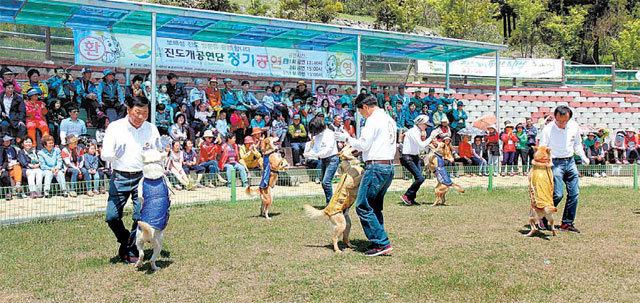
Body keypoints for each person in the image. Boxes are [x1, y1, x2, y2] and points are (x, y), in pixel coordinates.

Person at [335, 94, 396, 257]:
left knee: (362, 205)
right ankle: (379, 241)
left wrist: (347, 138)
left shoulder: (372, 120)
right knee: (374, 206)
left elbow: (364, 144)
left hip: (375, 167)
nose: (361, 114)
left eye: (361, 111)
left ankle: (382, 242)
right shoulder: (389, 119)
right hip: (388, 166)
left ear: (366, 107)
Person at [101, 95, 160, 264]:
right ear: (128, 110)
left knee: (139, 215)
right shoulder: (115, 127)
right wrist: (114, 155)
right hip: (120, 176)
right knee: (111, 216)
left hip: (142, 177)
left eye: (145, 113)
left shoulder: (151, 129)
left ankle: (133, 247)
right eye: (137, 112)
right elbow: (104, 153)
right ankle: (125, 239)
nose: (141, 117)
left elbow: (156, 153)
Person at [538, 106, 589, 233]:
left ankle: (567, 223)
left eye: (565, 121)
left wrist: (583, 156)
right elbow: (542, 147)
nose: (562, 123)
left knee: (574, 194)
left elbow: (577, 144)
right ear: (555, 117)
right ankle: (542, 216)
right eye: (560, 121)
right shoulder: (548, 129)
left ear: (569, 118)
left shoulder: (574, 126)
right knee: (558, 194)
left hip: (570, 162)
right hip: (555, 163)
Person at [400, 115, 431, 206]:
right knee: (420, 178)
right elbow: (422, 145)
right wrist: (431, 137)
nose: (426, 126)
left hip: (415, 157)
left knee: (419, 178)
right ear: (420, 123)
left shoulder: (417, 132)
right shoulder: (413, 132)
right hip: (408, 157)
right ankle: (407, 195)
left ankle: (410, 198)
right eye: (425, 124)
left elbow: (420, 146)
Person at [307, 117, 339, 205]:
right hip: (323, 160)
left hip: (332, 159)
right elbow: (315, 148)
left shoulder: (330, 134)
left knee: (326, 182)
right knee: (324, 183)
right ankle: (330, 202)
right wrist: (309, 153)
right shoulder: (317, 135)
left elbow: (328, 150)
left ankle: (331, 204)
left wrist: (316, 155)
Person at [1, 135, 24, 199]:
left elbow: (16, 157)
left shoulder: (13, 148)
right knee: (11, 173)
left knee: (16, 168)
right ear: (3, 142)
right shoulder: (1, 149)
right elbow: (4, 161)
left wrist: (15, 162)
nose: (7, 142)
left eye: (8, 141)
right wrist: (4, 167)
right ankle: (17, 191)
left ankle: (17, 185)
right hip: (6, 166)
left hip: (13, 165)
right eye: (5, 141)